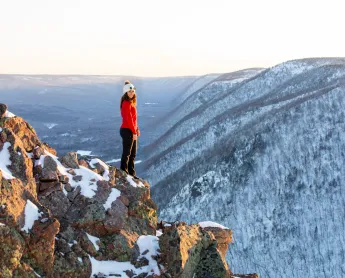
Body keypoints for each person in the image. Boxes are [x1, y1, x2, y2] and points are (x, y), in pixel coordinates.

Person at [120, 80, 140, 179]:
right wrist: (133, 131)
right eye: (129, 91)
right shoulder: (126, 103)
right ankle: (124, 172)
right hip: (127, 130)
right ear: (126, 92)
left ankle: (131, 174)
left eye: (132, 91)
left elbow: (134, 119)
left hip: (132, 130)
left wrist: (137, 129)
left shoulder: (131, 103)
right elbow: (128, 119)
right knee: (127, 153)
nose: (131, 93)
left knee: (133, 154)